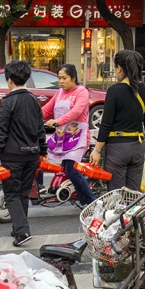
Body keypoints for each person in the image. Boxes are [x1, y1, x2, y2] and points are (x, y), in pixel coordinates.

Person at [0, 60, 48, 247]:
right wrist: (43, 151)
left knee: (11, 193)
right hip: (31, 156)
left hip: (12, 156)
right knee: (22, 193)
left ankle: (22, 232)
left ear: (9, 80)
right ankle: (18, 227)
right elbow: (40, 129)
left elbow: (1, 131)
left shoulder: (8, 102)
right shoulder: (33, 100)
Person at [90, 50, 145, 192]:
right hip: (138, 147)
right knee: (133, 195)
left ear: (119, 68)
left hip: (117, 149)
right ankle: (131, 214)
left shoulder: (115, 90)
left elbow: (106, 124)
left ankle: (118, 215)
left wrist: (97, 150)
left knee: (116, 194)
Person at [40, 63, 96, 206]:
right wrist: (32, 117)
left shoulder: (81, 92)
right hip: (60, 136)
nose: (61, 81)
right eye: (59, 78)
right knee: (37, 154)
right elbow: (46, 109)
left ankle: (93, 203)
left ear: (73, 77)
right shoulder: (59, 92)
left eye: (64, 78)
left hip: (77, 138)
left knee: (72, 171)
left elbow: (76, 112)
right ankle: (39, 188)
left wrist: (57, 121)